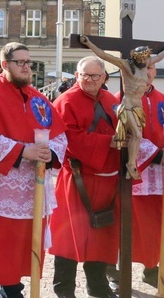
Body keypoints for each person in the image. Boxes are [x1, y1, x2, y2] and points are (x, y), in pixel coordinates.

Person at [0, 42, 67, 298]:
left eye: (28, 62)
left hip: (31, 192)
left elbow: (60, 135)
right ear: (5, 65)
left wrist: (48, 152)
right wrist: (24, 151)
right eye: (21, 62)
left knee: (21, 251)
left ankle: (13, 291)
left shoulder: (37, 98)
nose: (26, 67)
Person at [49, 56, 120, 298]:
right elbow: (68, 138)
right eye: (84, 75)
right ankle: (64, 289)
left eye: (95, 76)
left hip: (108, 179)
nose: (89, 80)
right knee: (68, 236)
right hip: (77, 179)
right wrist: (108, 142)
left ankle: (98, 286)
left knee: (101, 236)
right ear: (76, 76)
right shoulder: (65, 101)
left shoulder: (112, 101)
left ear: (104, 78)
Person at [114, 61, 164, 291]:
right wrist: (156, 155)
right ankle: (118, 274)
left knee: (155, 226)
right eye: (143, 68)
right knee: (125, 225)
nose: (147, 73)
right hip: (131, 175)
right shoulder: (120, 98)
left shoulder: (163, 99)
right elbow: (123, 135)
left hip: (157, 180)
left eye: (151, 68)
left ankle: (152, 270)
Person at [79, 36, 164, 179]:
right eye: (141, 59)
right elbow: (103, 55)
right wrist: (89, 44)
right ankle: (131, 164)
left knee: (135, 136)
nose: (144, 62)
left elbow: (160, 57)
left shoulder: (146, 62)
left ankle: (132, 162)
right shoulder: (126, 65)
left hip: (138, 106)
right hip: (128, 104)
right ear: (136, 58)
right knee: (136, 135)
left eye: (146, 60)